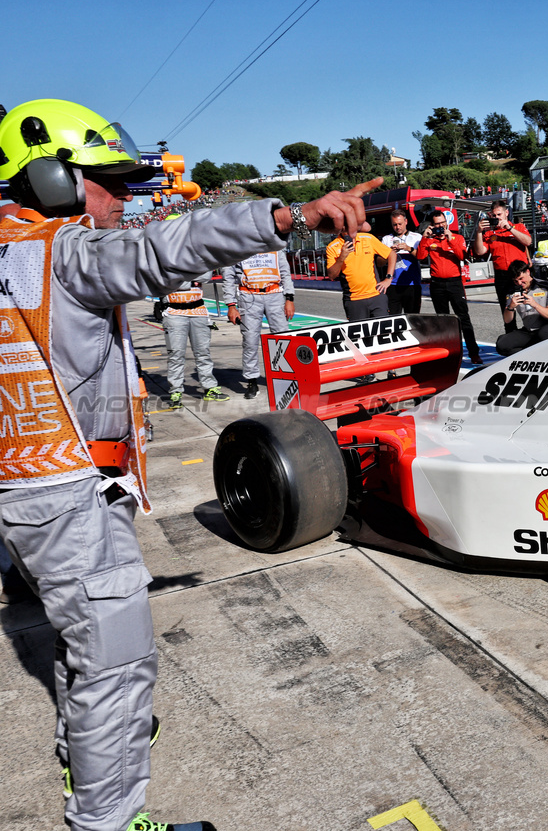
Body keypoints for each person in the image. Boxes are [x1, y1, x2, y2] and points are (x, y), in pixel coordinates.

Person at [0, 97, 380, 831]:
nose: (124, 195)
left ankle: (88, 756)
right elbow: (162, 249)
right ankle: (106, 820)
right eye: (108, 180)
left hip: (31, 488)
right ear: (53, 179)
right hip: (63, 491)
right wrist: (286, 216)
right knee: (115, 664)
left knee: (84, 649)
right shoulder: (63, 249)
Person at [160, 231, 229, 407]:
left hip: (198, 311)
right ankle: (175, 392)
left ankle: (209, 388)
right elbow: (166, 281)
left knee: (203, 352)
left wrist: (181, 279)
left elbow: (206, 276)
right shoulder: (163, 257)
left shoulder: (197, 255)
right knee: (176, 355)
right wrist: (191, 278)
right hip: (174, 312)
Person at [222, 246, 295, 399]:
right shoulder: (237, 247)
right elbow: (228, 276)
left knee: (282, 339)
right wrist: (231, 305)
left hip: (274, 295)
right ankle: (252, 380)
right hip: (248, 297)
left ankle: (284, 378)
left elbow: (285, 273)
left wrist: (289, 298)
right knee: (250, 340)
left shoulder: (275, 246)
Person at [417, 208, 483, 364]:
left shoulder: (457, 237)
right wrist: (425, 238)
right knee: (443, 321)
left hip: (454, 283)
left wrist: (450, 238)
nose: (440, 226)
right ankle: (449, 353)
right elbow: (420, 257)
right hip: (437, 284)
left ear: (446, 222)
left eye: (442, 223)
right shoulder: (429, 239)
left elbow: (463, 256)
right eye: (437, 224)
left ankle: (474, 353)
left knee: (463, 318)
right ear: (432, 225)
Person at [473, 200, 531, 332]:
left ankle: (532, 335)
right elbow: (480, 251)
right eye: (494, 216)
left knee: (528, 308)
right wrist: (479, 232)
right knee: (507, 309)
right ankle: (512, 338)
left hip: (521, 275)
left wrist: (509, 228)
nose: (497, 218)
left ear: (506, 213)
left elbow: (528, 241)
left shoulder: (519, 227)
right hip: (502, 276)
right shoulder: (489, 233)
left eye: (499, 214)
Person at [495, 261, 548, 355]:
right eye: (515, 281)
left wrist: (535, 305)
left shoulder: (545, 286)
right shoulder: (512, 291)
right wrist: (510, 307)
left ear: (528, 272)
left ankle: (543, 354)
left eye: (521, 279)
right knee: (502, 344)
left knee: (545, 333)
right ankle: (530, 355)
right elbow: (507, 320)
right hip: (529, 331)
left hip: (547, 328)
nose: (519, 283)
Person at [326, 230, 393, 320]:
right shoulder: (332, 247)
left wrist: (388, 278)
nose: (346, 227)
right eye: (343, 224)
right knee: (359, 333)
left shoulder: (368, 238)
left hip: (376, 296)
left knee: (383, 332)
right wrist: (341, 257)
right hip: (354, 300)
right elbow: (332, 275)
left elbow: (391, 254)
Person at [381, 210, 422, 315]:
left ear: (406, 222)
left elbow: (422, 258)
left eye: (400, 224)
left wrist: (409, 248)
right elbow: (379, 263)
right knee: (393, 320)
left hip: (412, 284)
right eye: (394, 225)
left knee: (413, 318)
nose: (397, 227)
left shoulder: (417, 237)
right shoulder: (386, 239)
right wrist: (389, 253)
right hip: (393, 285)